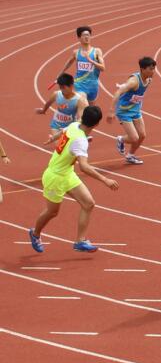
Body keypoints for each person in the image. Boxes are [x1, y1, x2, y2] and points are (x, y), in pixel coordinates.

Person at [28, 105, 119, 254]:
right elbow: (84, 166)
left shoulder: (75, 125)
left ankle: (80, 242)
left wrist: (53, 138)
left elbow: (63, 132)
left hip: (67, 173)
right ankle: (35, 233)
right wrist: (105, 180)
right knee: (52, 212)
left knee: (88, 203)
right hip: (55, 177)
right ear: (97, 124)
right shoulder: (81, 141)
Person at [109, 56, 157, 165]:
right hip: (124, 111)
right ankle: (121, 139)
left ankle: (130, 155)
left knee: (142, 135)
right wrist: (111, 110)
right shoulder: (134, 81)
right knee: (134, 138)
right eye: (150, 69)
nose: (153, 71)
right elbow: (118, 92)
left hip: (135, 110)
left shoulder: (149, 80)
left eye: (154, 69)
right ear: (142, 69)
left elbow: (138, 94)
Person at [57, 26, 105, 104]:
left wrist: (91, 61)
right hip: (79, 84)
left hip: (93, 85)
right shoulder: (76, 52)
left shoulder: (97, 51)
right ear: (79, 38)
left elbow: (103, 68)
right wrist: (61, 73)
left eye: (88, 35)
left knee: (90, 108)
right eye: (84, 35)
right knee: (83, 103)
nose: (86, 37)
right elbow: (69, 62)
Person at [36, 73, 87, 144]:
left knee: (68, 145)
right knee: (59, 145)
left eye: (64, 88)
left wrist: (77, 127)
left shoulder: (79, 100)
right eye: (60, 87)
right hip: (56, 125)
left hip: (69, 127)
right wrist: (43, 110)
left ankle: (81, 138)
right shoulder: (56, 94)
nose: (62, 90)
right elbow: (48, 103)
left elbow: (80, 118)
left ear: (71, 86)